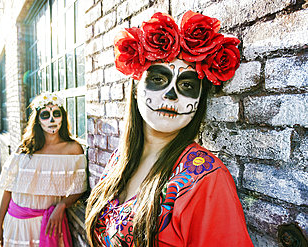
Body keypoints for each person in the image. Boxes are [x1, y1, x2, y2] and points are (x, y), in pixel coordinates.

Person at [85, 11, 254, 247]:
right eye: (158, 79)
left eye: (186, 84)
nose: (171, 95)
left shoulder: (206, 180)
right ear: (135, 89)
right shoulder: (118, 159)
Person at [0, 92, 87, 247]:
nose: (51, 120)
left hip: (49, 225)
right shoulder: (24, 148)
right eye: (45, 115)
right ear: (37, 119)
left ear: (63, 117)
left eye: (56, 114)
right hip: (16, 224)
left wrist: (62, 205)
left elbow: (79, 188)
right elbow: (8, 189)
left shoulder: (73, 149)